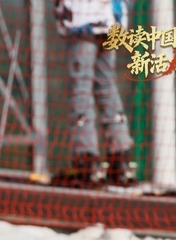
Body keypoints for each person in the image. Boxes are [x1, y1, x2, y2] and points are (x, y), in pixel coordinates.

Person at [53, 0, 137, 186]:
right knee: (105, 84)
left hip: (83, 17)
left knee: (81, 87)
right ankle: (120, 159)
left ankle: (85, 162)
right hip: (109, 18)